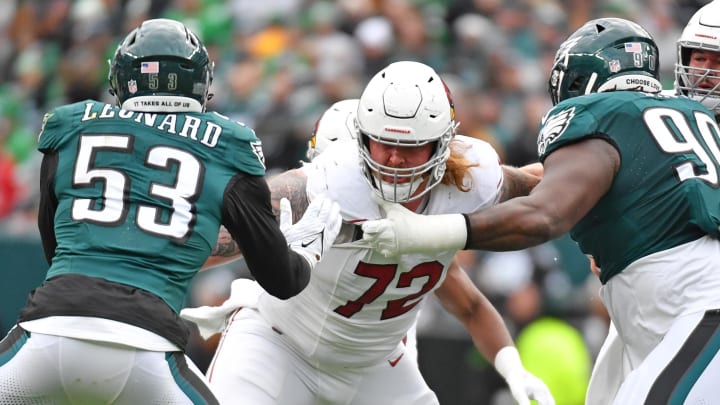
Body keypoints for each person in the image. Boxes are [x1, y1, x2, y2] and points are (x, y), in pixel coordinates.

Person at [361, 17, 720, 404]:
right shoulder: (677, 117)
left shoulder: (606, 119)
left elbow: (543, 216)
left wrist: (424, 231)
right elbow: (548, 180)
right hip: (668, 309)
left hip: (697, 306)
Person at [0, 18, 342, 405]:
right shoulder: (228, 145)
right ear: (200, 83)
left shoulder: (70, 126)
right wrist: (306, 253)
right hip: (148, 350)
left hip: (48, 333)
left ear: (121, 77)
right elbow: (282, 281)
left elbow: (54, 248)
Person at [182, 61, 554, 405]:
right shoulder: (330, 185)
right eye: (384, 143)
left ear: (442, 144)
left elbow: (553, 186)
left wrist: (512, 366)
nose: (394, 159)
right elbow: (226, 232)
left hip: (375, 364)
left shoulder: (472, 181)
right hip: (279, 346)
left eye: (409, 146)